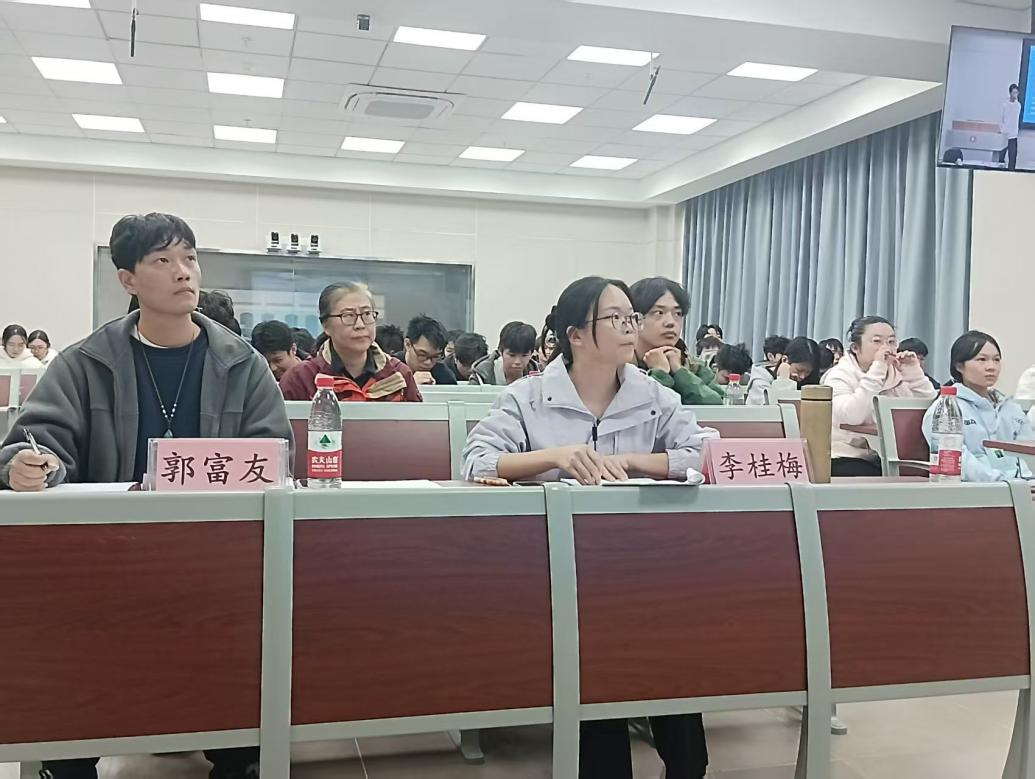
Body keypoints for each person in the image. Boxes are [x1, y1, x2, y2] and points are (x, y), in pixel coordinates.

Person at [0, 212, 291, 779]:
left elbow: (273, 456)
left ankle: (237, 753)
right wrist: (30, 467)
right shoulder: (85, 362)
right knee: (71, 635)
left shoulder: (241, 363)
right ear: (128, 279)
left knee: (239, 630)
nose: (184, 272)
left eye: (190, 258)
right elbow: (34, 442)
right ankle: (67, 756)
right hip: (106, 555)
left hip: (217, 556)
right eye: (163, 260)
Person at [463, 276, 714, 779]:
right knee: (599, 639)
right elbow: (477, 461)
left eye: (631, 317)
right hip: (554, 569)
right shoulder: (528, 397)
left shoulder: (653, 395)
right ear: (575, 334)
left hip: (639, 566)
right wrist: (555, 457)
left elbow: (704, 453)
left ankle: (686, 765)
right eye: (616, 318)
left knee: (664, 629)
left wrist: (639, 463)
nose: (630, 327)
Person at [822, 316, 937, 476]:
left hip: (897, 456)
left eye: (891, 342)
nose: (886, 348)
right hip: (847, 455)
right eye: (877, 341)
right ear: (855, 348)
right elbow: (852, 417)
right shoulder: (838, 375)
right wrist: (877, 369)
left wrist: (915, 375)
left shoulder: (897, 373)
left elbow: (931, 411)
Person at [279, 282, 421, 402]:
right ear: (326, 325)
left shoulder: (399, 375)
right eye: (348, 316)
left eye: (367, 314)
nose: (360, 325)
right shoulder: (300, 379)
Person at [923, 331, 1033, 482]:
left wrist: (1026, 481)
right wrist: (1004, 482)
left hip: (1022, 486)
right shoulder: (947, 410)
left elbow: (1028, 451)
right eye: (982, 360)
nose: (991, 367)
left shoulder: (1011, 408)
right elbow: (959, 462)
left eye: (996, 360)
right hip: (977, 488)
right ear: (959, 366)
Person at [630, 276, 723, 405]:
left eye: (678, 314)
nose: (671, 322)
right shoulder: (620, 367)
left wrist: (680, 372)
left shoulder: (693, 366)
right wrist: (660, 373)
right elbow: (634, 409)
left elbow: (717, 404)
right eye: (659, 313)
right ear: (635, 320)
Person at [746, 336, 822, 405]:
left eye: (808, 372)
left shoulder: (809, 380)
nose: (802, 376)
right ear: (785, 360)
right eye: (799, 370)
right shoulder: (761, 379)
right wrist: (783, 380)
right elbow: (775, 410)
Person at [471, 321, 537, 385]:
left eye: (524, 355)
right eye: (512, 355)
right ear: (500, 351)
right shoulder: (483, 375)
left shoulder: (538, 375)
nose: (517, 362)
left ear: (531, 353)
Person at [399, 314, 457, 386]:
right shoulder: (389, 369)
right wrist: (411, 385)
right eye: (422, 355)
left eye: (435, 357)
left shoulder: (444, 375)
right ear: (408, 344)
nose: (428, 362)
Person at [744, 336, 789, 403]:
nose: (787, 361)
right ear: (770, 356)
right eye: (784, 356)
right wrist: (783, 379)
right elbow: (770, 405)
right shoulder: (759, 379)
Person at [1000, 83, 1021, 171]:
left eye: (1017, 93)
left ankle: (1011, 172)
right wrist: (1001, 129)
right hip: (1004, 135)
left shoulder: (1018, 105)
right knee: (1001, 157)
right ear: (1010, 93)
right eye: (1014, 93)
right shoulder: (1005, 105)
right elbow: (1002, 118)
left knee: (1012, 157)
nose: (1015, 95)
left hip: (1013, 135)